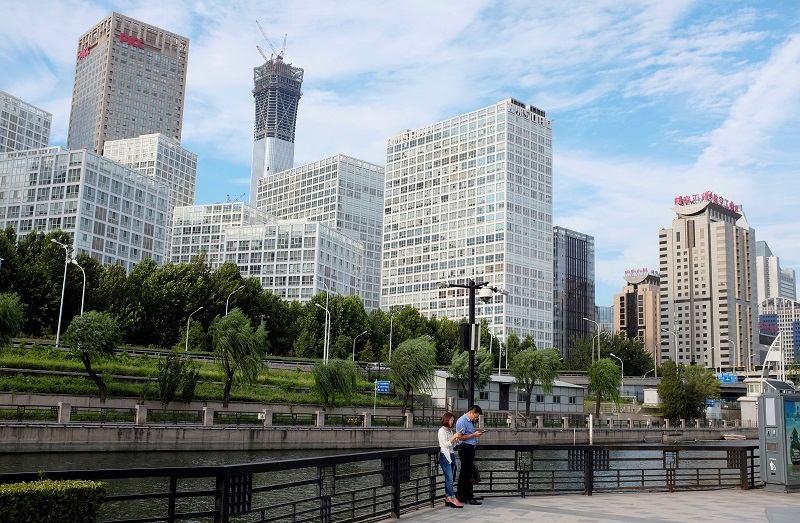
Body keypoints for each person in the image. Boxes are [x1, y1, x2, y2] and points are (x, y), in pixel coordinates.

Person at [455, 404, 484, 505]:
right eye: (475, 416)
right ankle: (467, 497)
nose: (475, 418)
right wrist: (474, 435)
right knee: (466, 473)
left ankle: (463, 496)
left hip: (469, 449)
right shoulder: (462, 421)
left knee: (466, 473)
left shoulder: (469, 422)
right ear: (471, 412)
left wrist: (475, 434)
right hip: (465, 448)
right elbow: (460, 437)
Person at [437, 412, 463, 508]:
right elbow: (444, 444)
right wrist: (453, 437)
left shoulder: (450, 431)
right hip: (445, 456)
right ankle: (453, 498)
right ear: (446, 420)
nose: (452, 422)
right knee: (449, 479)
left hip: (451, 455)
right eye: (451, 420)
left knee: (450, 478)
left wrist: (456, 439)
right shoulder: (441, 431)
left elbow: (452, 445)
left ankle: (448, 497)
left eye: (453, 420)